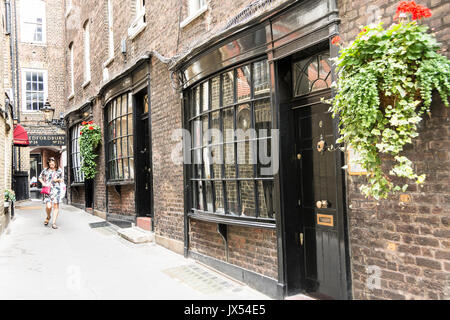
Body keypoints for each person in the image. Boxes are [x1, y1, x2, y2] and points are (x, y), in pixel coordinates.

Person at [38, 157, 63, 229]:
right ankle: (48, 216)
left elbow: (62, 179)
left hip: (56, 190)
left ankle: (54, 223)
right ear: (48, 163)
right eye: (50, 163)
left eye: (53, 162)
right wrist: (43, 183)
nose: (51, 164)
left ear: (55, 163)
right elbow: (40, 177)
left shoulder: (59, 170)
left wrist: (57, 179)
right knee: (48, 206)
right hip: (48, 190)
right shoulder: (45, 170)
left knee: (56, 206)